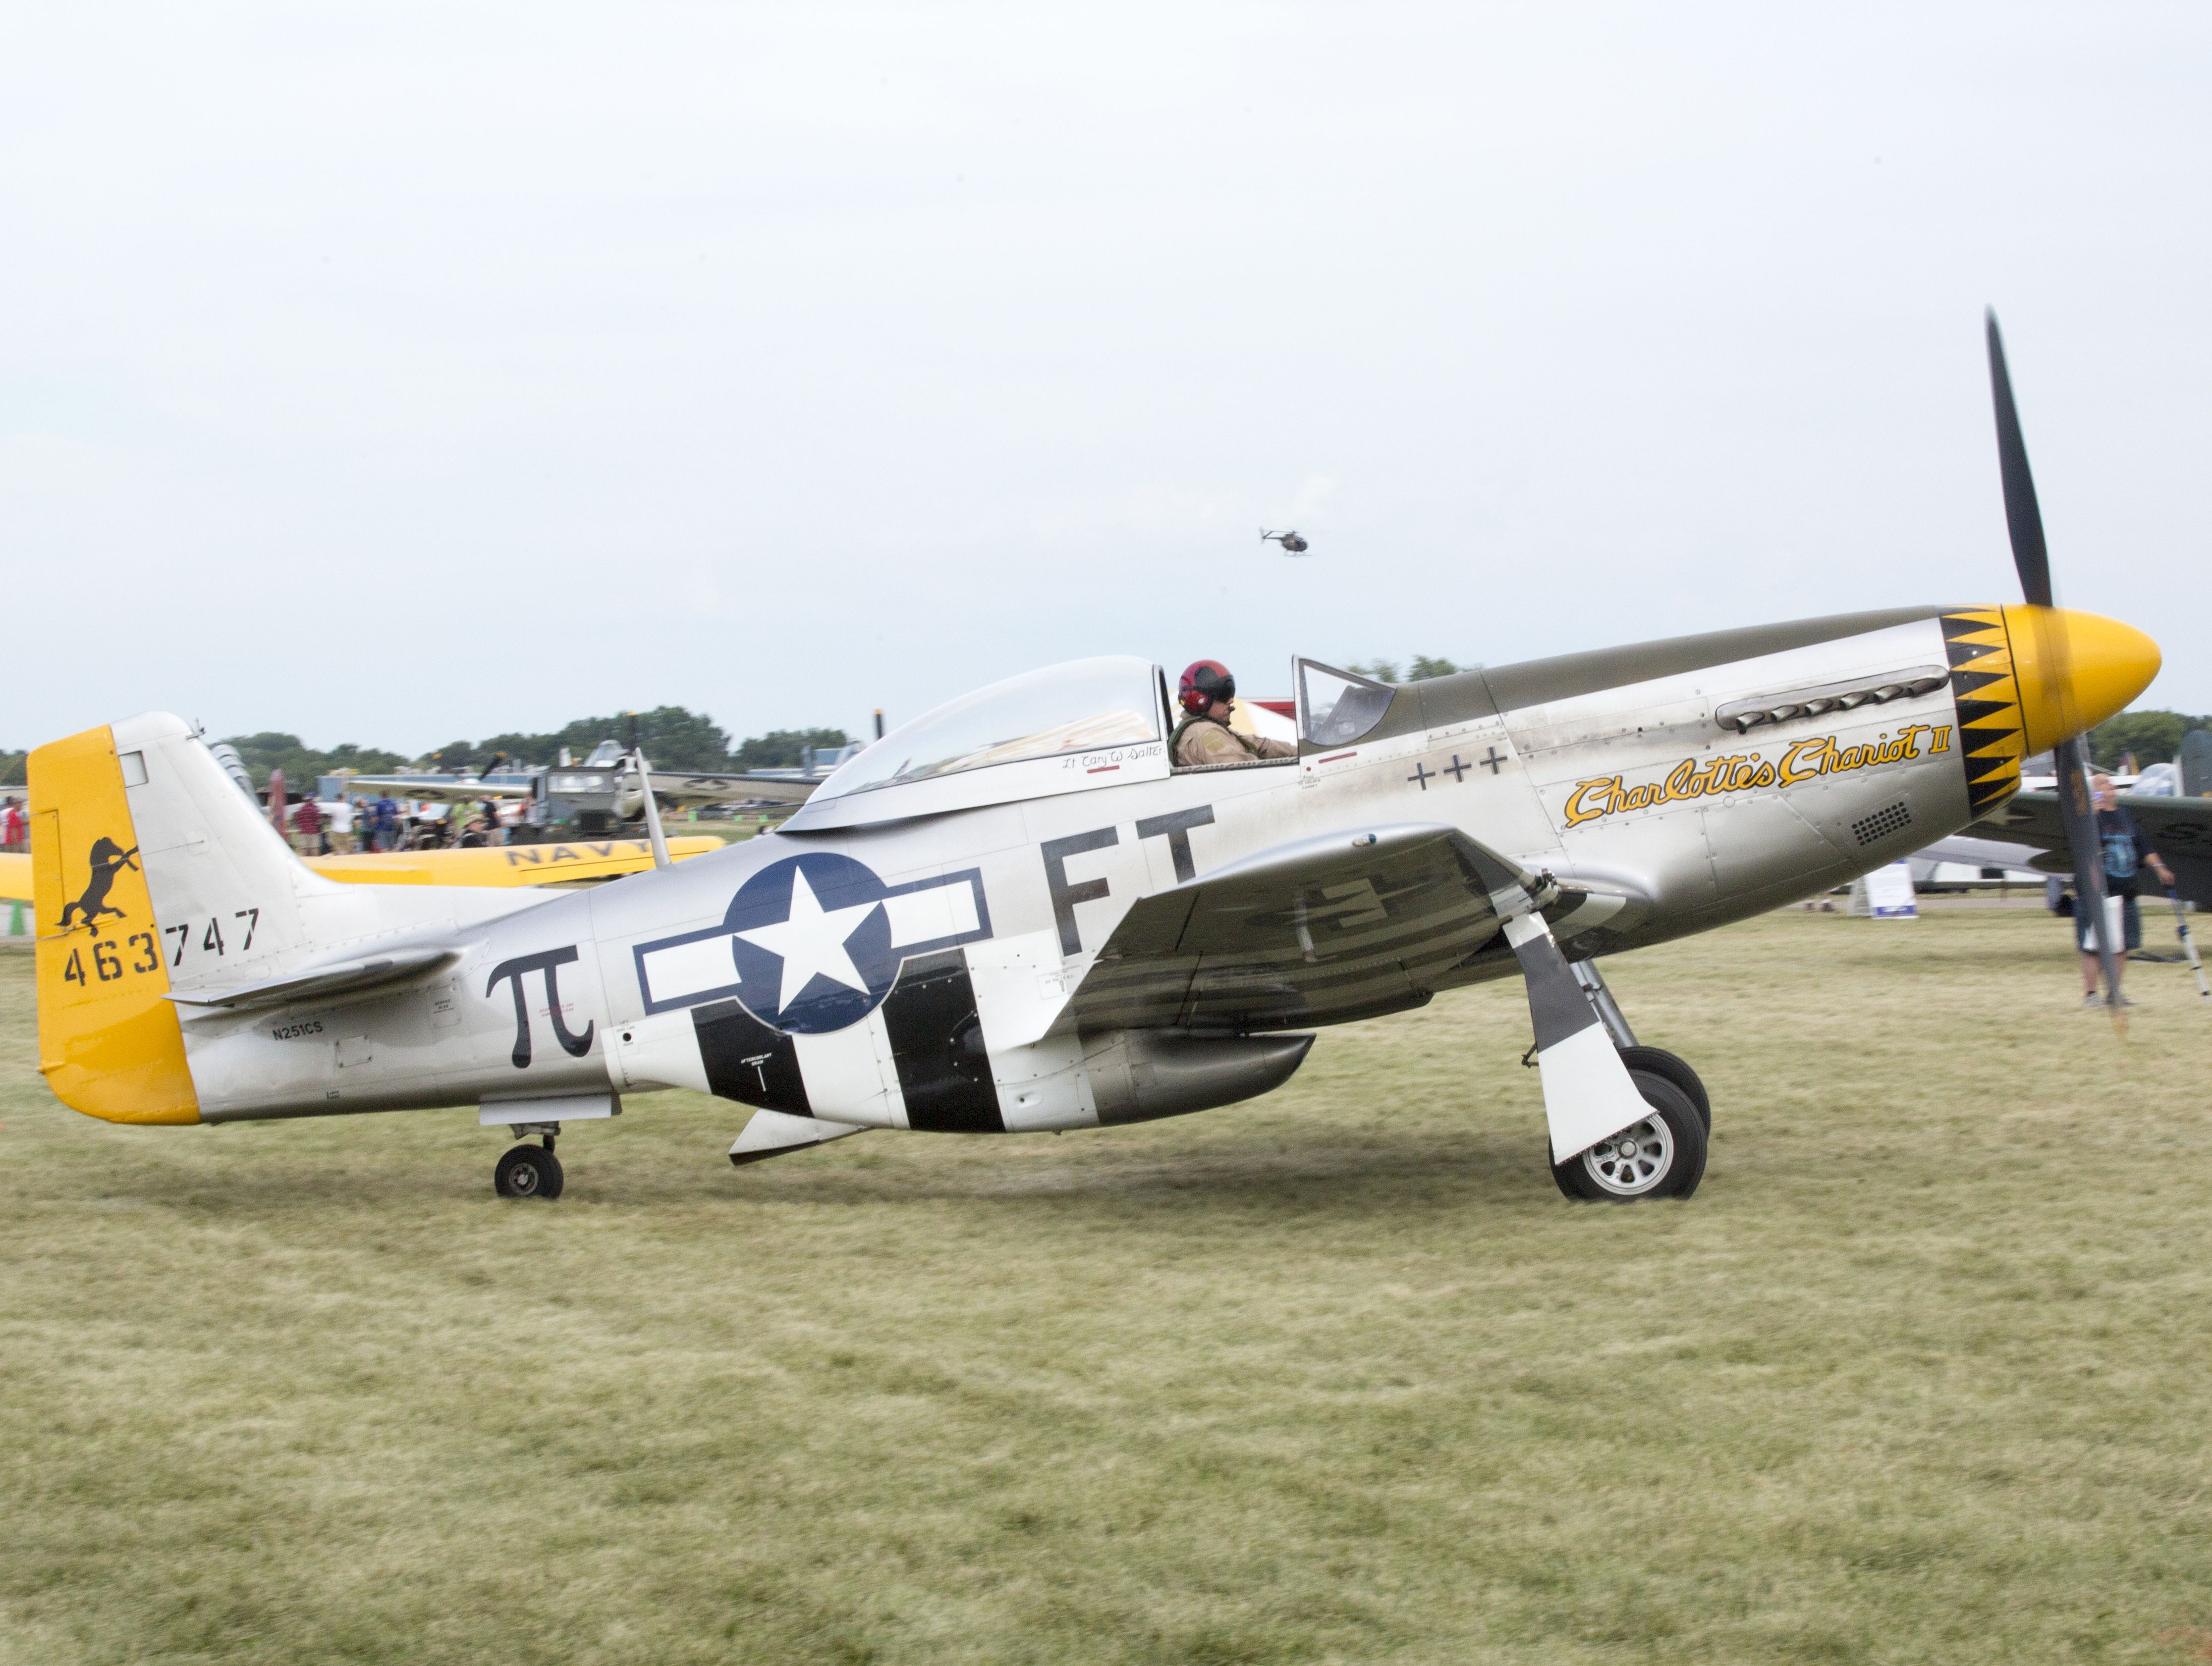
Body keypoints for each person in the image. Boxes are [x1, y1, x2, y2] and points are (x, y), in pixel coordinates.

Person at [2077, 773, 2175, 1006]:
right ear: (2095, 791)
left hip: (2126, 893)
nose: (2108, 785)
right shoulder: (2089, 820)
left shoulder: (2126, 818)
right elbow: (2082, 846)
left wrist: (2161, 868)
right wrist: (2092, 813)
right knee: (2093, 946)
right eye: (2101, 783)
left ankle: (2114, 994)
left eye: (2109, 783)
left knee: (2122, 946)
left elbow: (2144, 847)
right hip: (2098, 893)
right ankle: (2092, 995)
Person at [1171, 660, 1297, 768]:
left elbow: (1257, 744)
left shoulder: (1205, 729)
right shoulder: (1206, 733)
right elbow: (1246, 772)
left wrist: (1302, 753)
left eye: (1231, 693)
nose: (1231, 700)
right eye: (1224, 695)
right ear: (1200, 700)